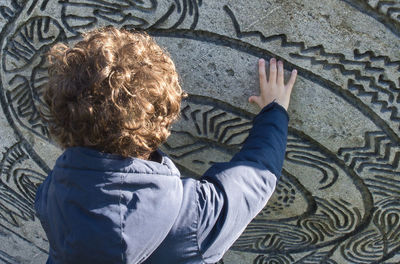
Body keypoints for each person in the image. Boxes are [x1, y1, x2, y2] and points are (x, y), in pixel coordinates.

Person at [34, 26, 297, 264]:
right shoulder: (192, 217)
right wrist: (274, 111)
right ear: (163, 123)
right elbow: (256, 175)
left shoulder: (52, 193)